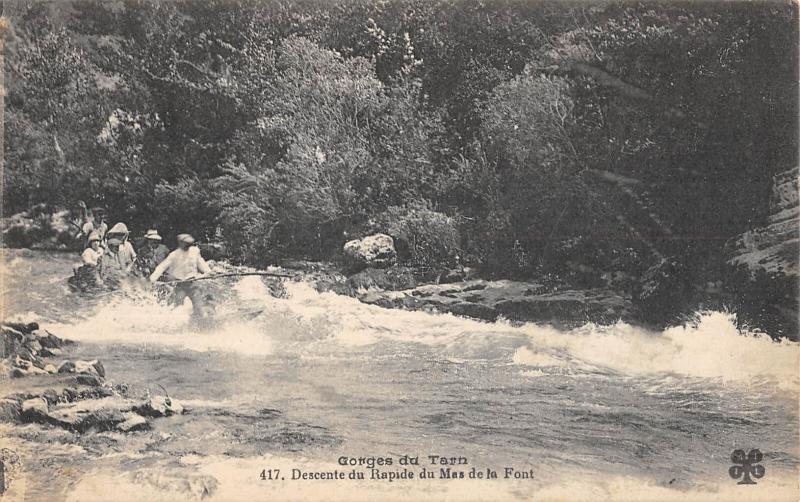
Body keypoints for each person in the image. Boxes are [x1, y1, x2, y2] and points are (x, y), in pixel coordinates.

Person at [149, 234, 213, 319]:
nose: (188, 245)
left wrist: (209, 272)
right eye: (186, 243)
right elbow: (161, 267)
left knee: (198, 305)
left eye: (189, 243)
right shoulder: (174, 255)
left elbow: (200, 263)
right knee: (177, 307)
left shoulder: (195, 251)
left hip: (192, 284)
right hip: (180, 285)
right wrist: (152, 280)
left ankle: (198, 323)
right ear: (180, 243)